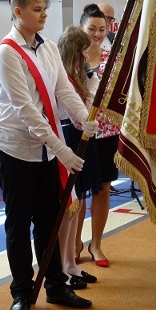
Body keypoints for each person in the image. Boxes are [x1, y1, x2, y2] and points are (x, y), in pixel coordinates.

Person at [0, 0, 97, 310]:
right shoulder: (6, 53)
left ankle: (55, 285)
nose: (44, 14)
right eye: (37, 9)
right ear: (18, 12)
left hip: (46, 151)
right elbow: (25, 109)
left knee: (50, 221)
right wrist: (63, 150)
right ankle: (22, 291)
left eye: (45, 9)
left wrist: (83, 118)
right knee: (18, 223)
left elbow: (63, 88)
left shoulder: (49, 47)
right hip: (16, 148)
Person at [75, 3, 120, 268]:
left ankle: (97, 244)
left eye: (102, 29)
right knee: (78, 191)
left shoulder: (114, 55)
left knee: (102, 188)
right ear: (82, 28)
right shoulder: (72, 56)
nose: (97, 34)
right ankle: (75, 243)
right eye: (92, 28)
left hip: (108, 131)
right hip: (80, 131)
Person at [56, 26, 100, 288]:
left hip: (81, 136)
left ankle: (71, 264)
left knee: (79, 201)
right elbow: (77, 113)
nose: (86, 57)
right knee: (68, 207)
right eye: (82, 52)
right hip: (69, 138)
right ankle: (63, 265)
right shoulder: (62, 77)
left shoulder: (80, 75)